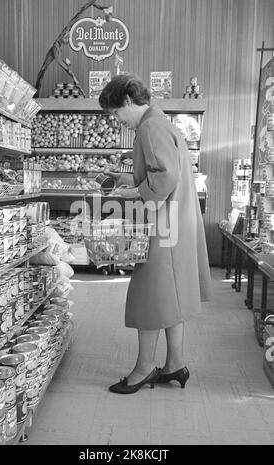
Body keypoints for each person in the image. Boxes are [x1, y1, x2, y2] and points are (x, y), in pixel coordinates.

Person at [98, 74, 212, 394]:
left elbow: (164, 176)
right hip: (178, 222)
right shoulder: (163, 123)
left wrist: (135, 193)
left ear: (128, 102)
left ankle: (144, 369)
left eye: (115, 113)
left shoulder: (148, 127)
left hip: (164, 227)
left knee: (147, 296)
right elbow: (164, 168)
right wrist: (130, 178)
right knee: (170, 297)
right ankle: (175, 363)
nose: (117, 120)